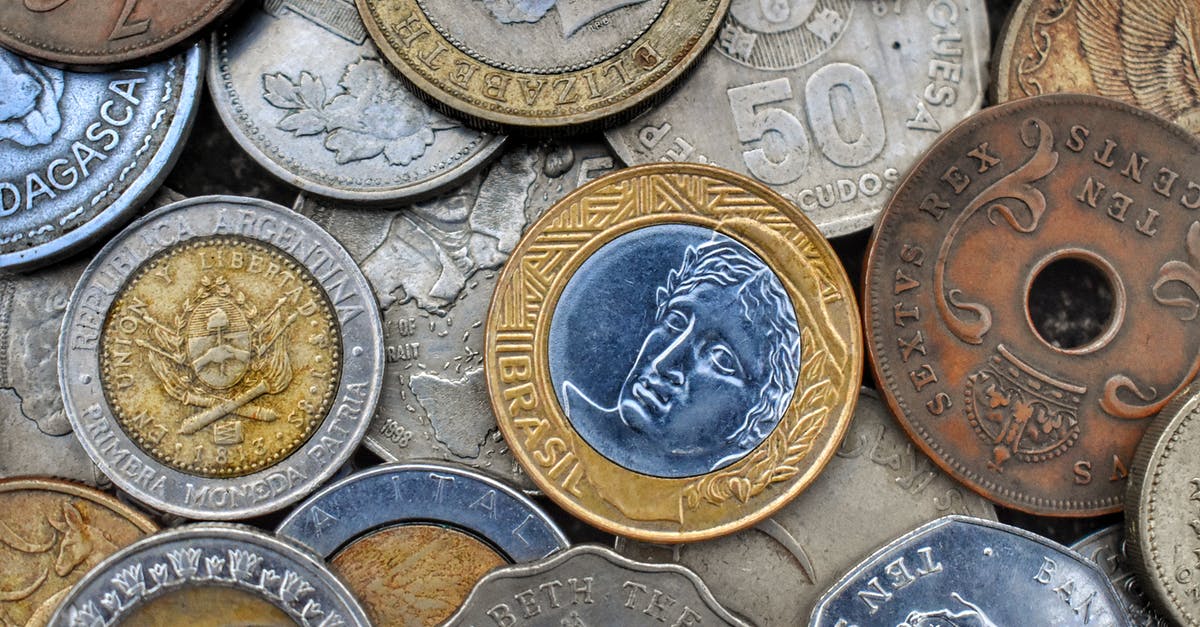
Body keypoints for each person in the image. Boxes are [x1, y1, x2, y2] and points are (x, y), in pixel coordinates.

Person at [561, 236, 801, 476]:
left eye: (720, 359)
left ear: (766, 403)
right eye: (675, 322)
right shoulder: (566, 412)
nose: (663, 363)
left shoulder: (728, 491)